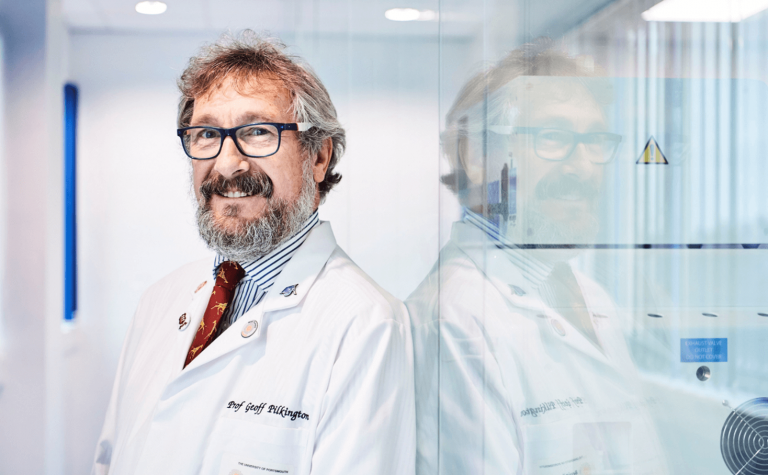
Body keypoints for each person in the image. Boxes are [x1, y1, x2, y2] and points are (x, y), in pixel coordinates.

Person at [92, 31, 414, 475]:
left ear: (318, 158)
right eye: (206, 134)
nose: (227, 164)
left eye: (258, 132)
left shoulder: (365, 325)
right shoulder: (159, 301)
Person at [407, 39, 668, 475]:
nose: (582, 166)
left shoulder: (592, 295)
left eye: (595, 141)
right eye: (553, 137)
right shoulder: (454, 322)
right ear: (476, 156)